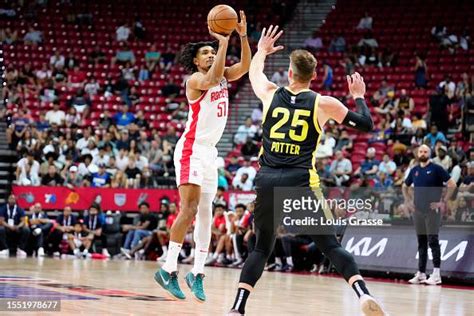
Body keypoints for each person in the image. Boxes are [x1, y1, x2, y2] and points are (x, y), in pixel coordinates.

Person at [227, 25, 386, 316]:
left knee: (261, 248)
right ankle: (363, 295)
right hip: (300, 182)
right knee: (329, 245)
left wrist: (261, 50)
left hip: (267, 180)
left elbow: (254, 74)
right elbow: (366, 125)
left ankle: (237, 309)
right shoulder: (323, 103)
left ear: (289, 73)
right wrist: (359, 96)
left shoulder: (270, 94)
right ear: (314, 76)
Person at [154, 11, 251, 302]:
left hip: (210, 153)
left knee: (206, 215)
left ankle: (197, 273)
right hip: (191, 150)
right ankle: (168, 269)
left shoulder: (222, 76)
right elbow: (211, 79)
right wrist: (222, 44)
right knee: (189, 209)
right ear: (196, 61)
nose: (210, 54)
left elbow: (244, 66)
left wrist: (242, 37)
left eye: (212, 50)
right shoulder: (196, 80)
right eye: (205, 52)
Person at [403, 144, 456, 285]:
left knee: (433, 240)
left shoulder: (437, 169)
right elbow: (404, 186)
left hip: (433, 210)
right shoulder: (414, 170)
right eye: (420, 151)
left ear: (430, 153)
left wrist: (443, 201)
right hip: (418, 211)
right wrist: (408, 201)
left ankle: (437, 274)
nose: (422, 153)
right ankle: (421, 273)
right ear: (417, 153)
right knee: (421, 242)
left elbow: (452, 184)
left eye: (425, 151)